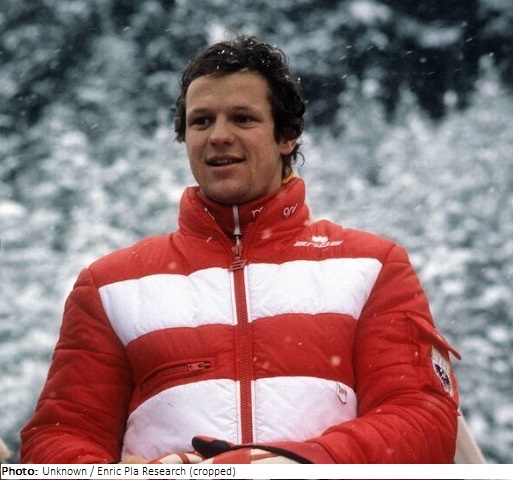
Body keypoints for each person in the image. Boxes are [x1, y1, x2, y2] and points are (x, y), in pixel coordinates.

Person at [20, 35, 460, 464]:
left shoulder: (372, 266)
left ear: (287, 135)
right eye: (201, 121)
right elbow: (57, 439)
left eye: (243, 119)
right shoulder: (109, 285)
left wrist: (290, 464)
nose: (218, 135)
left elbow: (423, 421)